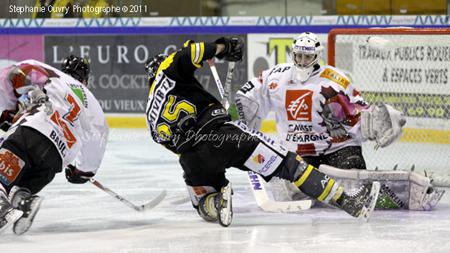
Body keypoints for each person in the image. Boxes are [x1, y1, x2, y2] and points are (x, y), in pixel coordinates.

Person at [144, 37, 381, 227]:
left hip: (192, 159)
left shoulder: (149, 117)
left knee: (202, 205)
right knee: (291, 166)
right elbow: (192, 52)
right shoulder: (168, 68)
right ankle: (347, 201)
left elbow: (173, 144)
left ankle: (215, 201)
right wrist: (224, 47)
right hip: (225, 137)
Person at [235, 32, 443, 210]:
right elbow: (249, 93)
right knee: (289, 191)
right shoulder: (277, 77)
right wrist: (246, 109)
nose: (301, 61)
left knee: (354, 187)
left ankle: (396, 190)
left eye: (307, 57)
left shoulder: (335, 80)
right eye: (298, 56)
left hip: (339, 148)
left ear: (317, 56)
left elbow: (359, 111)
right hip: (299, 153)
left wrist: (374, 121)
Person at [0, 59, 109, 235]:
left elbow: (10, 75)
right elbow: (98, 137)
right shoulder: (94, 105)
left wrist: (10, 109)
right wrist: (82, 172)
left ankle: (1, 208)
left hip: (32, 132)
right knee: (19, 187)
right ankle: (24, 202)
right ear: (86, 79)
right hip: (56, 157)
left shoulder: (51, 74)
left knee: (2, 177)